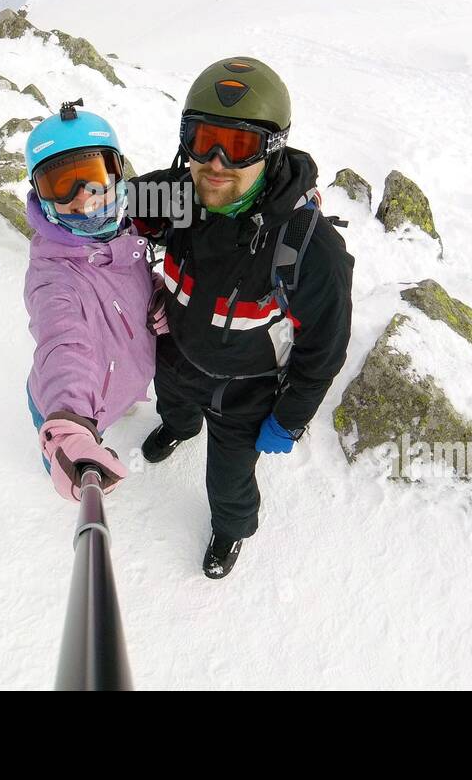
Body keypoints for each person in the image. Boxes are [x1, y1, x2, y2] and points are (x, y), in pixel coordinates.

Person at [133, 58, 354, 579]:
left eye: (238, 147)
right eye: (202, 139)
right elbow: (108, 207)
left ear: (271, 151)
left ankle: (231, 531)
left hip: (246, 391)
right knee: (176, 406)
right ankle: (178, 427)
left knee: (229, 482)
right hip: (180, 356)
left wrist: (291, 417)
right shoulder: (184, 198)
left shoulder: (306, 247)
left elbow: (323, 350)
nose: (214, 162)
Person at [23, 99, 160, 502]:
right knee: (65, 454)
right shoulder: (54, 276)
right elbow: (63, 341)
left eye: (94, 177)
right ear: (41, 195)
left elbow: (201, 195)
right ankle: (54, 458)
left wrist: (155, 295)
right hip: (68, 405)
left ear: (119, 173)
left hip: (116, 384)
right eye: (59, 184)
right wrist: (67, 425)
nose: (83, 197)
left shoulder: (123, 229)